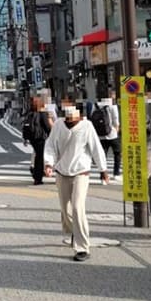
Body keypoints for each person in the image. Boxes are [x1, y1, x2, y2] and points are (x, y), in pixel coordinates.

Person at [44, 103, 109, 262]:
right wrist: (48, 163)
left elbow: (96, 148)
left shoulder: (87, 126)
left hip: (81, 172)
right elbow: (51, 145)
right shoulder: (59, 125)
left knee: (77, 207)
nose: (71, 117)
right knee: (65, 210)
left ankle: (82, 247)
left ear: (80, 114)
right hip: (62, 172)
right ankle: (76, 232)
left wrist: (103, 170)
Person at [23, 95, 53, 184]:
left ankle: (36, 173)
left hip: (32, 137)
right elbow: (47, 126)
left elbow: (25, 125)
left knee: (38, 156)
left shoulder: (30, 112)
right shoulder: (42, 112)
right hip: (40, 137)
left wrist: (25, 138)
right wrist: (52, 134)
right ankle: (37, 177)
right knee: (40, 157)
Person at [95, 93, 121, 179]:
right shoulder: (113, 107)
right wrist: (116, 132)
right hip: (112, 135)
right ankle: (116, 173)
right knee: (117, 154)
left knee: (102, 156)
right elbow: (116, 122)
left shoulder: (96, 106)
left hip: (101, 136)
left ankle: (102, 176)